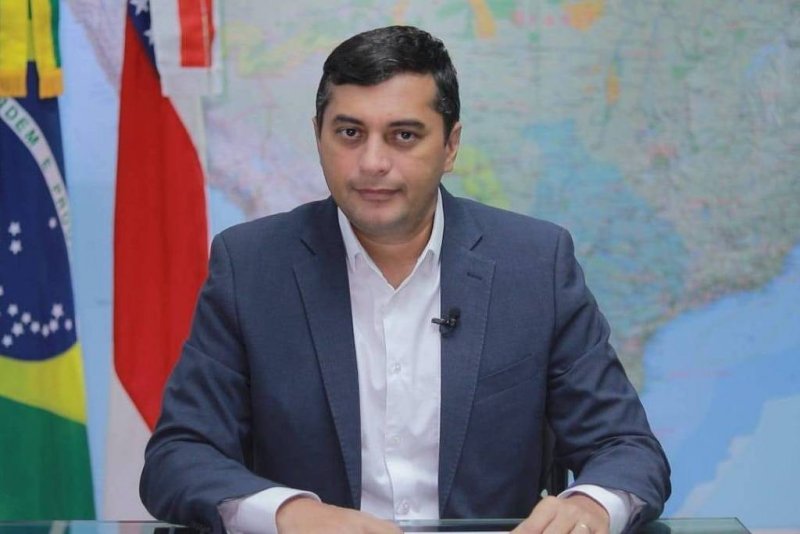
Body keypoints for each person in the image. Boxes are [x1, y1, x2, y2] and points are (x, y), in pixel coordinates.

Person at [140, 25, 670, 534]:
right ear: (319, 135)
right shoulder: (252, 266)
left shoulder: (533, 265)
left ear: (450, 146)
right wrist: (289, 514)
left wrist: (590, 506)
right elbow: (179, 456)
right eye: (350, 133)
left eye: (404, 136)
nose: (373, 162)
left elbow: (627, 448)